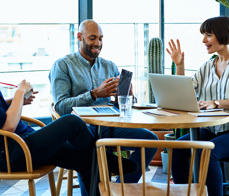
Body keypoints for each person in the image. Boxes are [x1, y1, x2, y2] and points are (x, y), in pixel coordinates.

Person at [0, 20, 136, 196]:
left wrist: (17, 101)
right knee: (72, 121)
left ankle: (104, 160)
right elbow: (7, 126)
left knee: (87, 160)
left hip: (23, 140)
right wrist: (17, 94)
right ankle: (108, 159)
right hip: (10, 154)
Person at [49, 19, 158, 183]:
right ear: (79, 37)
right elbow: (62, 107)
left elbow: (120, 106)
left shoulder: (109, 66)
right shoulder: (63, 65)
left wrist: (128, 96)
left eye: (100, 38)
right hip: (81, 130)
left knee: (150, 140)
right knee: (89, 150)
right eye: (92, 38)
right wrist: (93, 94)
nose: (98, 43)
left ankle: (121, 188)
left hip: (108, 126)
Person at [165, 16, 229, 196]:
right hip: (213, 130)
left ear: (223, 35)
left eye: (208, 35)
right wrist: (179, 65)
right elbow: (185, 92)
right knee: (177, 147)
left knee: (207, 152)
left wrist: (216, 103)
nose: (203, 40)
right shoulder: (207, 66)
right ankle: (186, 193)